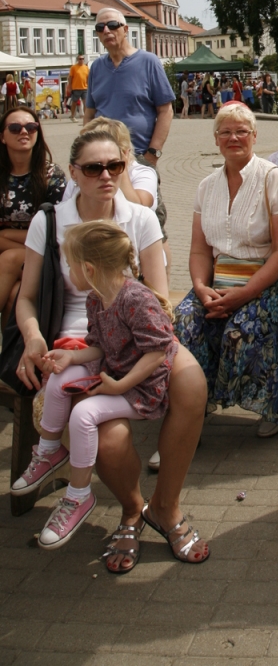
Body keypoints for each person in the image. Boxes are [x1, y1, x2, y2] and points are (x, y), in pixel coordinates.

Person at [16, 125, 209, 570]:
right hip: (75, 338)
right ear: (73, 172)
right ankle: (131, 509)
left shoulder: (138, 217)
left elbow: (159, 301)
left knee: (192, 382)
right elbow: (27, 297)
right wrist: (34, 338)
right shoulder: (49, 221)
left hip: (136, 331)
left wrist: (128, 365)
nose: (106, 175)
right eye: (93, 167)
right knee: (106, 432)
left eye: (115, 165)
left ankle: (167, 505)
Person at [12, 221, 178, 551]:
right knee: (60, 379)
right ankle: (48, 452)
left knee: (84, 414)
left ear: (88, 268)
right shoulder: (96, 298)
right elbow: (101, 345)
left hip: (142, 388)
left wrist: (120, 386)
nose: (67, 272)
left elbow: (158, 351)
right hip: (115, 374)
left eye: (69, 265)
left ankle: (79, 496)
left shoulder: (135, 298)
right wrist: (72, 358)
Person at [173, 103, 278, 438]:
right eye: (225, 132)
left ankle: (276, 404)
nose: (233, 137)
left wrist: (244, 294)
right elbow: (198, 249)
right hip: (222, 278)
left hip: (277, 278)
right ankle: (196, 404)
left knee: (242, 326)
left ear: (255, 136)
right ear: (216, 140)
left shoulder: (274, 178)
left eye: (241, 131)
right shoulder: (206, 186)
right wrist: (199, 287)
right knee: (185, 320)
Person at [85, 7, 174, 264]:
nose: (106, 31)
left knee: (152, 225)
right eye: (100, 27)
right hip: (101, 160)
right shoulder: (97, 68)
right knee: (108, 221)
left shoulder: (148, 62)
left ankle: (160, 294)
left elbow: (165, 109)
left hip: (137, 159)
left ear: (125, 29)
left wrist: (153, 154)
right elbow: (90, 113)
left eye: (112, 25)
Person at [0, 107, 66, 318]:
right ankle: (14, 352)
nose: (24, 132)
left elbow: (55, 229)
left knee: (10, 258)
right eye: (15, 127)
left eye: (31, 127)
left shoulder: (51, 175)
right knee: (13, 295)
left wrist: (6, 235)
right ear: (2, 136)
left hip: (43, 254)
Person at [68, 55, 89, 122]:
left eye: (82, 58)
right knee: (74, 102)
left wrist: (89, 86)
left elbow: (88, 78)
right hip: (76, 88)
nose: (81, 60)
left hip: (85, 88)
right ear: (78, 59)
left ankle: (86, 116)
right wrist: (70, 87)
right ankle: (72, 116)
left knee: (86, 102)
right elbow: (70, 78)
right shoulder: (73, 67)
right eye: (80, 59)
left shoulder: (86, 68)